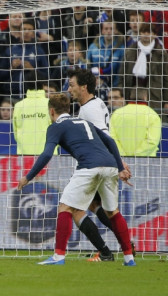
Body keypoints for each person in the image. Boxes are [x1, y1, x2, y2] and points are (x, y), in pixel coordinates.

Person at [17, 93, 136, 266]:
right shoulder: (84, 122)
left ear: (51, 111)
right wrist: (119, 167)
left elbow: (47, 153)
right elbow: (110, 142)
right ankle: (129, 258)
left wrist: (28, 177)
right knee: (112, 212)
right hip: (110, 166)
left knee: (65, 207)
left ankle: (58, 256)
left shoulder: (56, 126)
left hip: (89, 166)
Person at [67, 68, 133, 261]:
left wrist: (118, 163)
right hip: (104, 162)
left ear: (83, 87)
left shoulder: (90, 109)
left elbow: (105, 137)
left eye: (72, 85)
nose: (69, 89)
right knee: (98, 205)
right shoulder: (96, 104)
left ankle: (105, 252)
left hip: (97, 165)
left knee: (74, 209)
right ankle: (125, 246)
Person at [111, 88, 162, 157]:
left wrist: (123, 155)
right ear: (145, 97)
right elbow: (152, 142)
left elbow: (112, 138)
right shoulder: (153, 115)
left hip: (121, 161)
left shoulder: (116, 114)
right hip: (146, 160)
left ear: (130, 97)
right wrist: (136, 156)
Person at [12, 77, 51, 155]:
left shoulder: (18, 105)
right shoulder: (50, 104)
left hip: (24, 153)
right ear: (43, 86)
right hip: (48, 153)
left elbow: (15, 132)